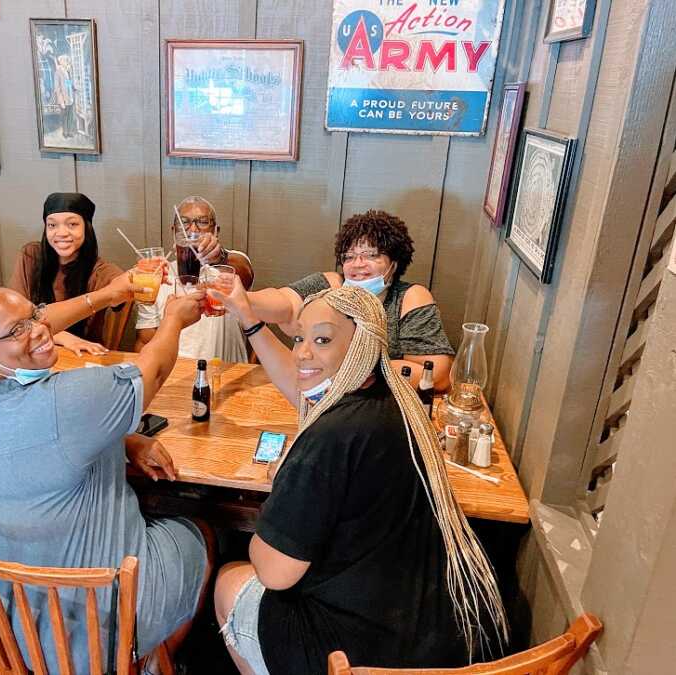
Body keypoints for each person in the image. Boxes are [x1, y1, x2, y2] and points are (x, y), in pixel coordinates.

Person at [212, 283, 508, 674]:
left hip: (361, 655)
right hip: (439, 636)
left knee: (231, 581)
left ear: (361, 348)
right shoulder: (400, 403)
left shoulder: (331, 436)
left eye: (321, 340)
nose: (302, 352)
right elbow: (303, 385)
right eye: (299, 337)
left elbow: (275, 572)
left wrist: (282, 489)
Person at [0, 278, 214, 674]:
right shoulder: (68, 399)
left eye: (34, 315)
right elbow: (151, 372)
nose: (36, 329)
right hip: (93, 631)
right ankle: (145, 661)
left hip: (10, 624)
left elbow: (36, 448)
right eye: (16, 330)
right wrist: (173, 321)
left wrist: (124, 440)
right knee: (200, 533)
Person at [246, 210, 455, 389]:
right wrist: (242, 299)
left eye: (371, 255)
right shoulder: (330, 284)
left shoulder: (409, 298)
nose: (358, 264)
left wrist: (354, 370)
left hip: (380, 406)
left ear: (395, 263)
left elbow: (436, 373)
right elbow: (285, 305)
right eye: (349, 257)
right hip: (314, 396)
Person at [134, 196, 255, 362]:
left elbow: (244, 271)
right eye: (184, 222)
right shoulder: (157, 276)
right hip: (172, 374)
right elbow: (144, 342)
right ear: (174, 232)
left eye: (203, 222)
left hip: (223, 375)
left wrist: (218, 257)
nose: (192, 229)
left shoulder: (227, 269)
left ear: (215, 231)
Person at [9, 192, 126, 356]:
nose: (61, 233)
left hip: (82, 356)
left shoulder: (100, 271)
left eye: (72, 224)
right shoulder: (31, 256)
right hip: (33, 353)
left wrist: (146, 272)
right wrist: (65, 338)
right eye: (52, 225)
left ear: (87, 227)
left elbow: (123, 287)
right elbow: (14, 318)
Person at [55, 54, 76, 138]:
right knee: (65, 117)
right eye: (65, 60)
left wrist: (74, 88)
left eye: (67, 60)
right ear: (61, 62)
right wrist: (61, 101)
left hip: (70, 98)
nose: (67, 62)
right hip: (63, 99)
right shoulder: (57, 73)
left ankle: (70, 132)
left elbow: (68, 83)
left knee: (71, 116)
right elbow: (57, 88)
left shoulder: (67, 71)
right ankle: (65, 132)